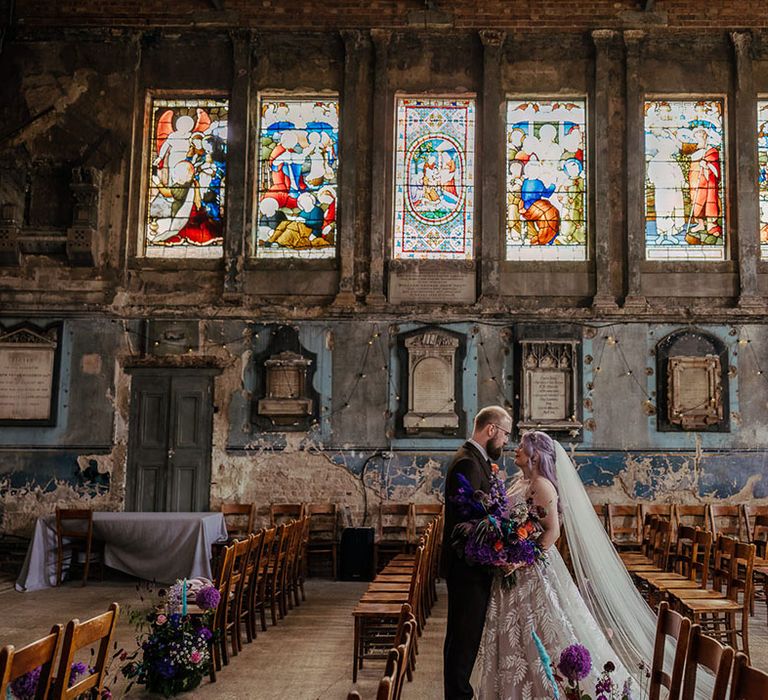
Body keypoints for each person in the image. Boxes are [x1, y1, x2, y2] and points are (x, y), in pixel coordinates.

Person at [476, 431, 699, 700]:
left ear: (535, 454)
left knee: (545, 632)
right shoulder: (520, 482)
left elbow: (552, 532)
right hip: (511, 570)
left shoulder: (543, 486)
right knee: (515, 637)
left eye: (521, 447)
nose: (516, 450)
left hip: (532, 570)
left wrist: (521, 559)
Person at [441, 405, 513, 700]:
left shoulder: (474, 460)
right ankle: (458, 696)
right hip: (468, 566)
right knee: (463, 640)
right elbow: (468, 522)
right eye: (506, 433)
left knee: (463, 637)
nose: (507, 441)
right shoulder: (468, 463)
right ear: (491, 430)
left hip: (471, 566)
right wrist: (498, 545)